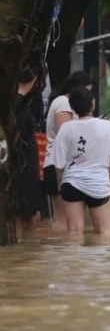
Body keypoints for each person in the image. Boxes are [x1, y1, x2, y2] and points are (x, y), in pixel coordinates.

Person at [47, 87, 110, 238]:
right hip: (98, 184)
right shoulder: (107, 126)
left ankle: (76, 262)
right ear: (93, 104)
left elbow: (59, 164)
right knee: (104, 232)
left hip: (71, 183)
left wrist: (61, 184)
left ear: (73, 108)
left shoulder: (66, 129)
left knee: (74, 232)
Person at [43, 70, 92, 232]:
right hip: (58, 165)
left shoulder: (65, 102)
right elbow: (66, 135)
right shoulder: (64, 103)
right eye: (87, 90)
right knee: (62, 221)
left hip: (66, 166)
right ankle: (56, 253)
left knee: (67, 221)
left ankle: (61, 253)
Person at [14, 68, 42, 236]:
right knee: (25, 217)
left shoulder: (19, 104)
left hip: (27, 167)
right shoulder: (19, 107)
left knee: (29, 216)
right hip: (23, 168)